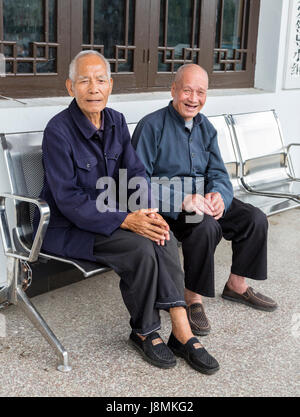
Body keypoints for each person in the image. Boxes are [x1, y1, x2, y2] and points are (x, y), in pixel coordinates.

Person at [33, 52, 220, 374]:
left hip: (108, 214)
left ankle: (181, 328)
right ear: (70, 87)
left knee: (162, 232)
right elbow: (68, 199)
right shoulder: (58, 131)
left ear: (110, 85)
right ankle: (144, 330)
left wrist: (146, 210)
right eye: (84, 81)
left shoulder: (116, 120)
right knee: (139, 248)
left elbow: (135, 173)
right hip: (66, 226)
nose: (94, 88)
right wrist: (124, 219)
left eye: (101, 80)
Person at [132, 63, 277, 337]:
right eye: (187, 90)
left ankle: (236, 285)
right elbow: (137, 184)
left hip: (203, 199)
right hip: (171, 206)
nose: (194, 99)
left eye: (200, 92)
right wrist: (183, 199)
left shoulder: (205, 127)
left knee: (253, 218)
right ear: (173, 90)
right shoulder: (151, 126)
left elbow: (219, 173)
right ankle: (192, 298)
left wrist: (219, 196)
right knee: (205, 226)